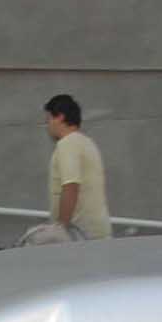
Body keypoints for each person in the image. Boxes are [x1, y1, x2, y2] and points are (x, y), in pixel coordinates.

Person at [43, 94, 110, 240]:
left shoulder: (67, 144)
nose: (47, 126)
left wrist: (61, 229)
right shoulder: (87, 143)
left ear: (60, 117)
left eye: (48, 119)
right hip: (97, 233)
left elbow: (70, 186)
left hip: (79, 235)